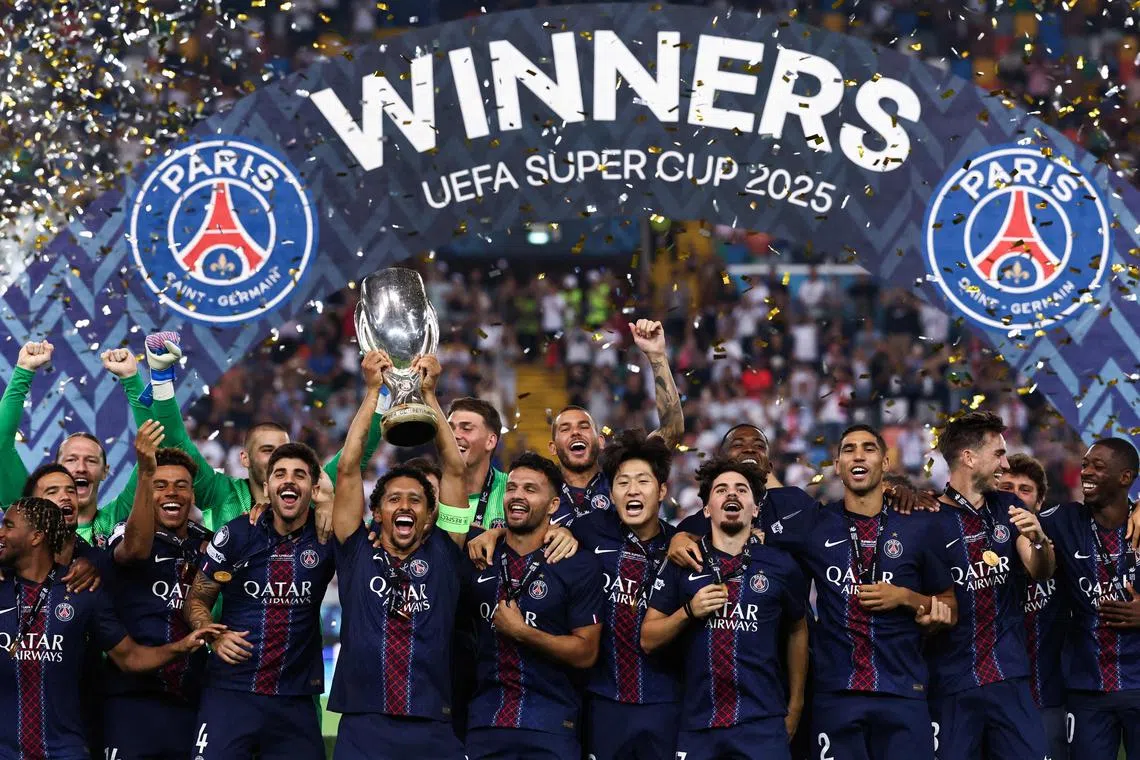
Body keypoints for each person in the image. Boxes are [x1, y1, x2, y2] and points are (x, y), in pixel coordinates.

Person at [773, 425, 956, 760]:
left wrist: (904, 597)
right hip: (837, 693)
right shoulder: (814, 524)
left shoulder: (918, 524)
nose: (858, 455)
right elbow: (744, 526)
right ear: (838, 465)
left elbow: (950, 606)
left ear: (885, 463)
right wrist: (686, 536)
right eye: (848, 449)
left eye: (869, 448)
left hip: (904, 690)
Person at [328, 350, 472, 759]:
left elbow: (455, 470)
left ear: (430, 515)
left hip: (432, 725)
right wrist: (372, 392)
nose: (405, 506)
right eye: (394, 499)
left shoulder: (446, 551)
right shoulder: (355, 550)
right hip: (363, 723)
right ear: (376, 512)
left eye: (415, 500)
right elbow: (348, 469)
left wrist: (430, 395)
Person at [0, 497, 221, 760]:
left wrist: (181, 646)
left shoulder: (83, 591)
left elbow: (130, 658)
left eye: (8, 526)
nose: (0, 532)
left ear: (36, 537)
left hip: (65, 751)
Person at [112, 331, 384, 534]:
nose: (278, 458)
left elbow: (355, 455)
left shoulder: (310, 494)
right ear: (244, 458)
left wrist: (383, 390)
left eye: (283, 451)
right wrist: (161, 377)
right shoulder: (220, 494)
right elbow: (175, 441)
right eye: (267, 451)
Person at [641, 457, 809, 760]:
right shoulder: (683, 561)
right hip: (698, 725)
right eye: (721, 490)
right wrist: (688, 611)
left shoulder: (781, 565)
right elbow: (648, 639)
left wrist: (795, 706)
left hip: (763, 723)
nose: (732, 494)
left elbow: (798, 630)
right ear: (706, 509)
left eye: (742, 490)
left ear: (755, 509)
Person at [185, 442, 335, 759]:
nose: (289, 480)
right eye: (280, 474)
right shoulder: (236, 534)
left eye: (299, 475)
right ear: (267, 487)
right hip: (230, 691)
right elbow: (197, 598)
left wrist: (332, 502)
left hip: (294, 698)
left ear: (314, 488)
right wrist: (213, 634)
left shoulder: (327, 537)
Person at [925, 411, 1055, 760]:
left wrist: (1039, 540)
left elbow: (1040, 570)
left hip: (1007, 675)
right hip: (951, 681)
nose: (1005, 463)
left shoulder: (1008, 506)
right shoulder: (927, 519)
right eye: (998, 454)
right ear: (969, 457)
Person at [463, 452, 603, 760]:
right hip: (486, 723)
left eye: (530, 489)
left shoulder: (578, 564)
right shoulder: (479, 555)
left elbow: (586, 652)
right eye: (512, 488)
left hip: (551, 726)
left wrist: (523, 632)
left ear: (553, 505)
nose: (517, 496)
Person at [103, 420, 213, 760]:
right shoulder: (123, 533)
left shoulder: (209, 545)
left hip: (191, 701)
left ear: (193, 495)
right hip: (131, 699)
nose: (172, 493)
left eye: (181, 486)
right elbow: (135, 550)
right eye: (160, 485)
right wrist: (144, 473)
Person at [569, 429, 679, 760]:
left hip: (665, 702)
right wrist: (495, 535)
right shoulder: (586, 531)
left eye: (643, 481)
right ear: (611, 493)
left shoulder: (681, 545)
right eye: (622, 482)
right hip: (603, 700)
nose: (632, 490)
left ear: (662, 490)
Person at [1038, 438, 1140, 758]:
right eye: (1084, 465)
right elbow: (1002, 522)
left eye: (1098, 466)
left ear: (1125, 477)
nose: (1086, 472)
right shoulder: (1063, 520)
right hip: (1087, 689)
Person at [548, 319, 683, 525]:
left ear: (601, 441)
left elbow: (672, 430)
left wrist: (657, 356)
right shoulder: (542, 490)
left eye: (584, 426)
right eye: (565, 429)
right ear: (552, 447)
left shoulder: (621, 479)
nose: (575, 432)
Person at [998, 453, 1068, 760]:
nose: (1014, 496)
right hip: (991, 699)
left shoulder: (1063, 539)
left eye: (1024, 490)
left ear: (1039, 502)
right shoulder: (970, 544)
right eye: (1006, 487)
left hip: (1049, 699)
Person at [447, 396, 508, 531]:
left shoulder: (511, 489)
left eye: (466, 428)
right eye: (450, 429)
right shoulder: (430, 489)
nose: (454, 435)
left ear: (490, 441)